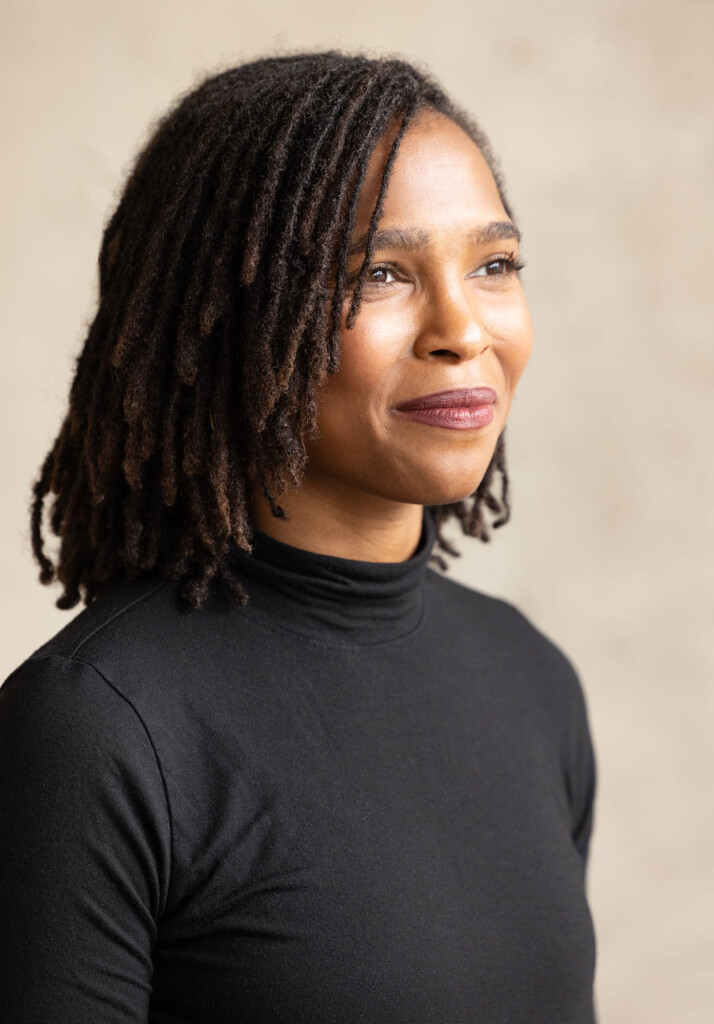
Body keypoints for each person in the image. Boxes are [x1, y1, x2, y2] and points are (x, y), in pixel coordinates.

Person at [0, 51, 598, 1022]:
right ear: (235, 317)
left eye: (493, 264)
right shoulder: (96, 728)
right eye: (380, 272)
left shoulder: (532, 682)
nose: (462, 329)